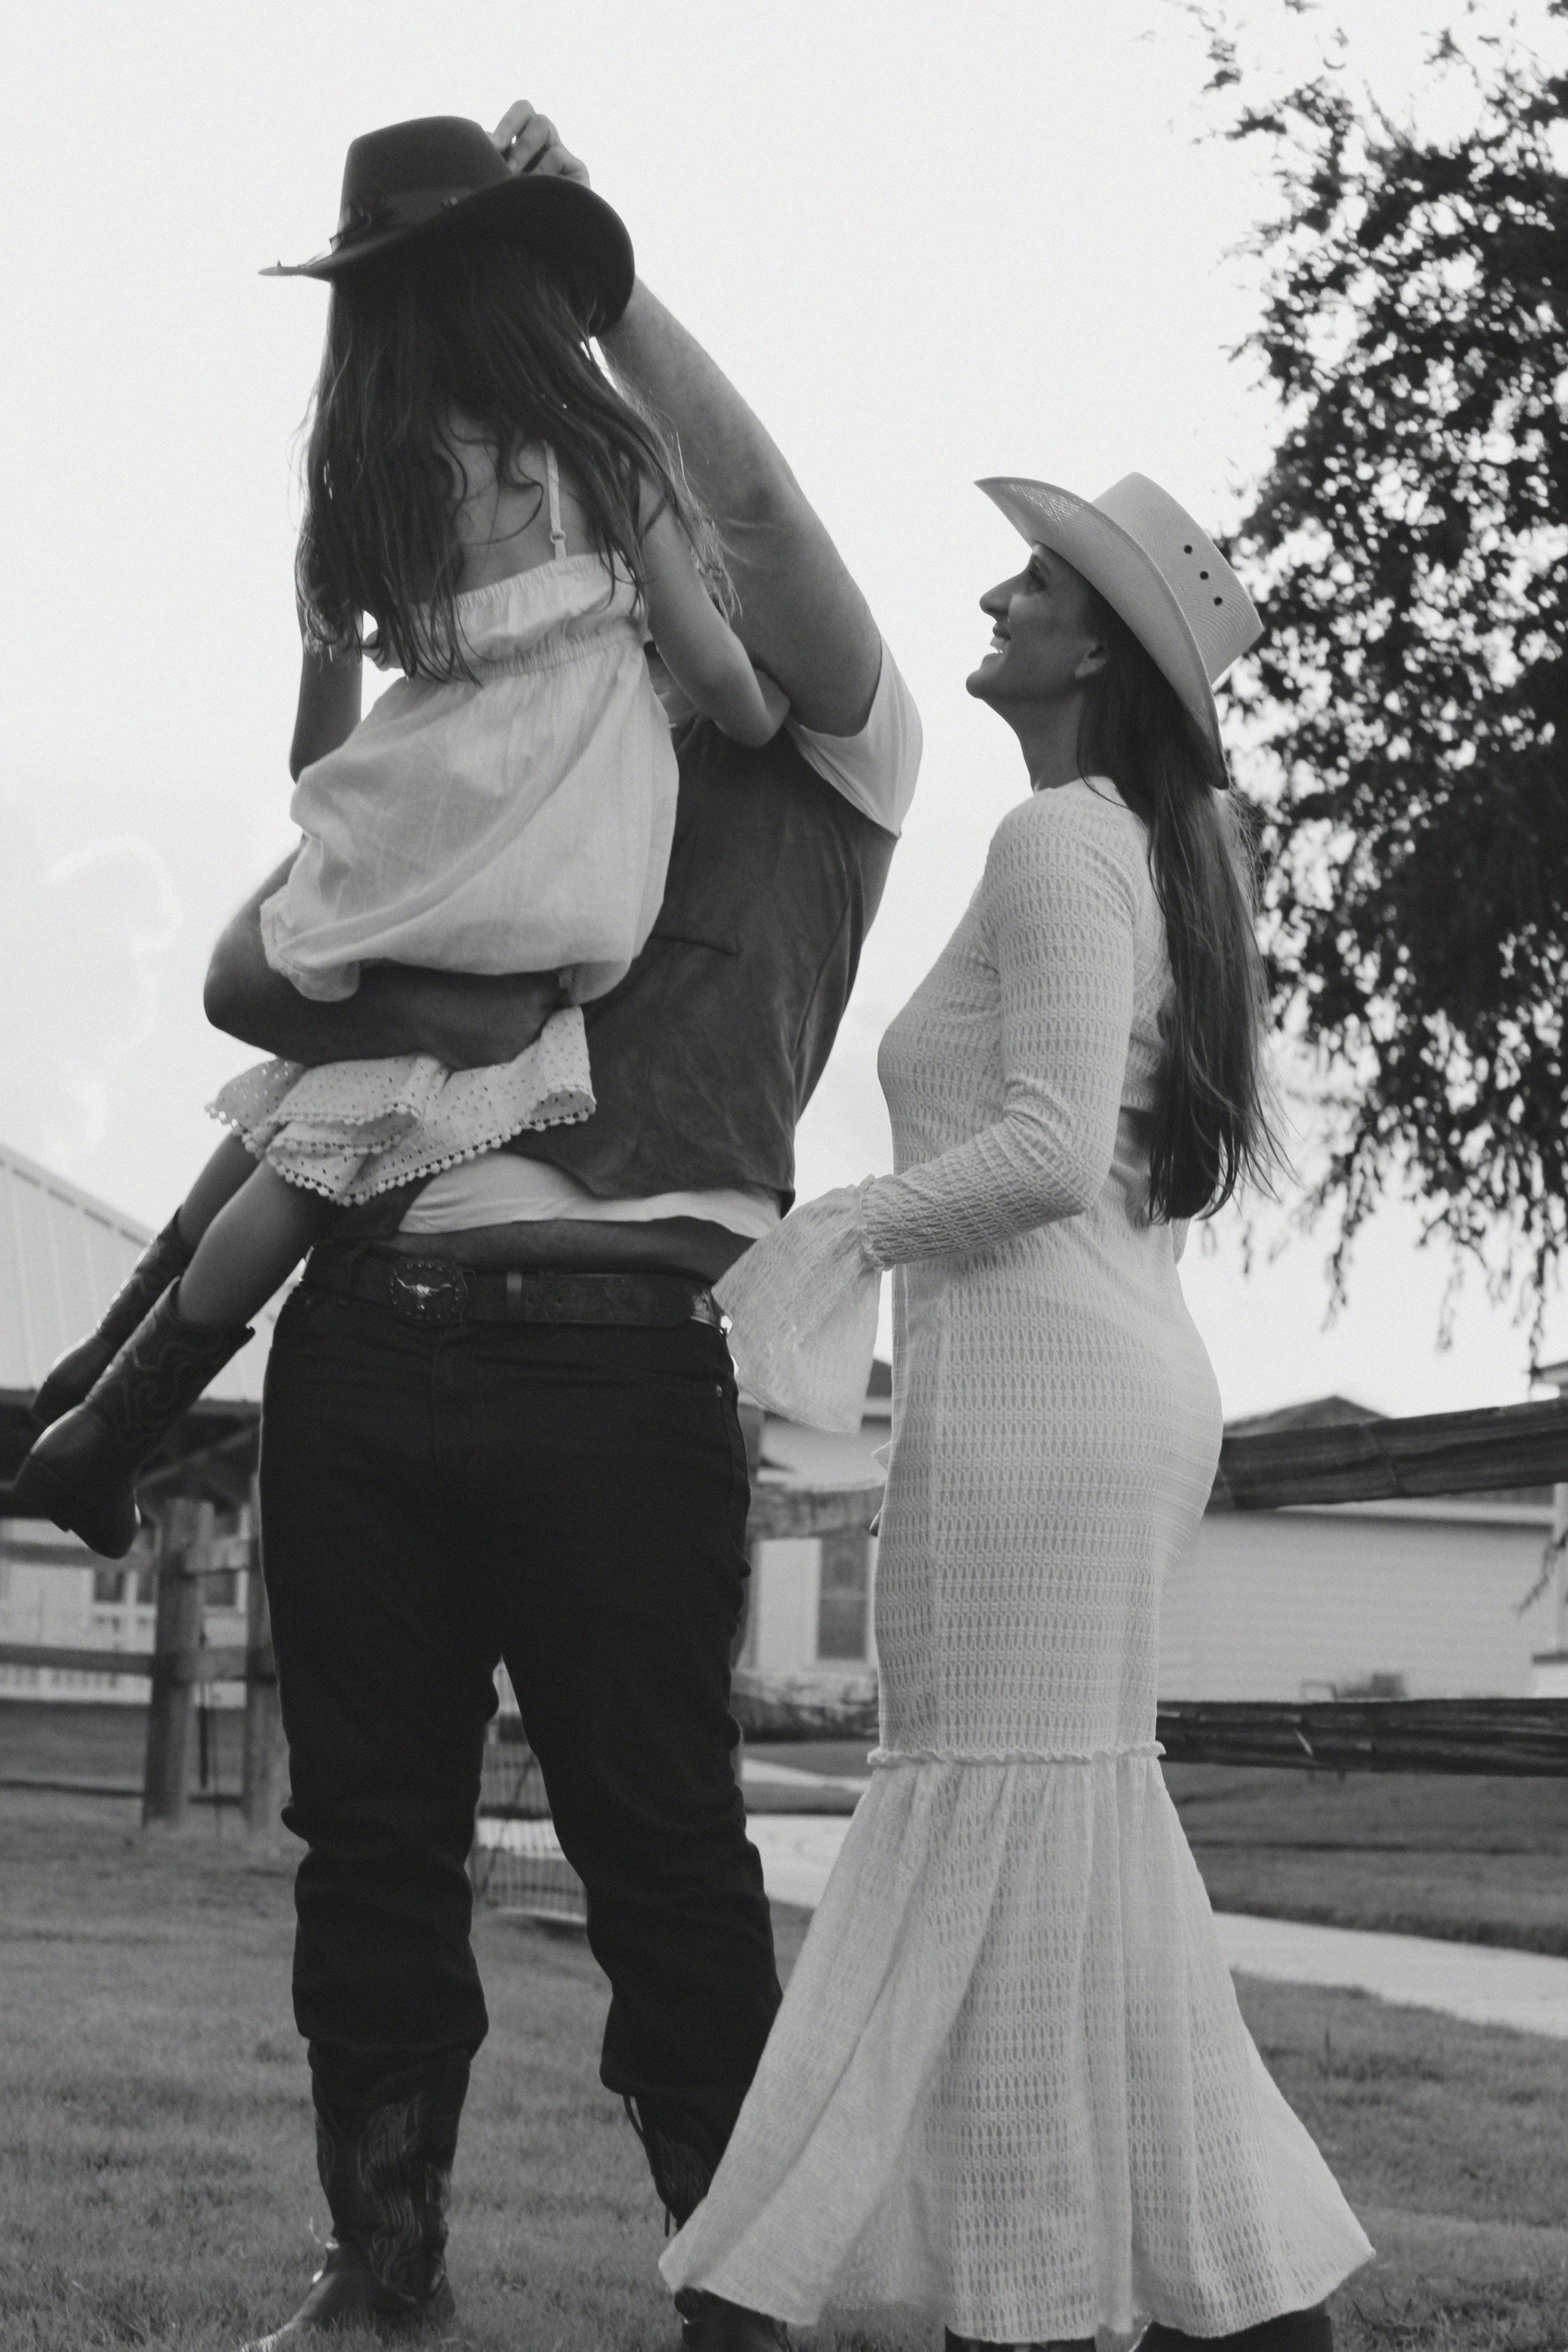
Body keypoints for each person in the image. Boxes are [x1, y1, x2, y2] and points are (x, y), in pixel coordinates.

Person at [198, 105, 921, 2352]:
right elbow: (258, 951)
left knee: (661, 1844)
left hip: (612, 1365)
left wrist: (585, 294)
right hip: (367, 1339)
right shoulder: (474, 739)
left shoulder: (840, 761)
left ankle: (737, 2277)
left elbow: (768, 528)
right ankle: (381, 2268)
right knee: (369, 1842)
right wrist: (421, 960)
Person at [662, 476, 1373, 2351]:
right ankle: (1129, 2301)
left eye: (1039, 584)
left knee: (987, 1827)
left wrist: (837, 1234)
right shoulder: (1141, 850)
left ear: (1100, 654)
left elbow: (1054, 1151)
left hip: (1045, 1406)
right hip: (1085, 1387)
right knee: (1066, 1853)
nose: (998, 590)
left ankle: (767, 2298)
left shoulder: (1066, 836)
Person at [7, 114, 786, 1567]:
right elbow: (730, 693)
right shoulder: (600, 455)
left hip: (398, 845)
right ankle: (104, 1431)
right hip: (531, 888)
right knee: (325, 1161)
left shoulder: (367, 482)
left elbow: (317, 753)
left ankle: (89, 1384)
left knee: (307, 1091)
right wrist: (749, 699)